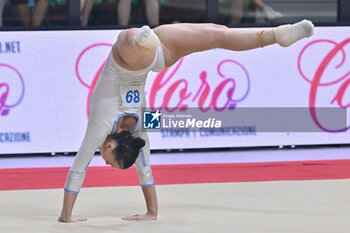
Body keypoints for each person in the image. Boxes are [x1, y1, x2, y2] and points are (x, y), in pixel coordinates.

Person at [58, 20, 314, 222]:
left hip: (154, 57)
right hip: (147, 56)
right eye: (107, 162)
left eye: (104, 161)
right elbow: (84, 167)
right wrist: (66, 216)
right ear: (111, 146)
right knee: (130, 38)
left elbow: (98, 168)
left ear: (111, 146)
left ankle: (278, 35)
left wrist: (67, 217)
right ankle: (142, 38)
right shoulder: (130, 130)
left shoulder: (127, 129)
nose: (101, 159)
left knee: (218, 32)